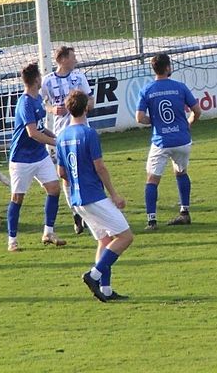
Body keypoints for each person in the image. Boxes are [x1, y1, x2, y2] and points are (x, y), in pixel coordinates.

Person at [56, 90, 133, 302]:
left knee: (105, 240)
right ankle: (94, 275)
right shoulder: (89, 134)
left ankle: (106, 291)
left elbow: (61, 173)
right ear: (86, 107)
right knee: (125, 236)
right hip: (93, 196)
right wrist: (114, 194)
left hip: (77, 199)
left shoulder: (61, 136)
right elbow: (100, 167)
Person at [135, 53, 203, 231]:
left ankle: (151, 221)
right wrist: (189, 122)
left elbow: (139, 118)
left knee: (152, 179)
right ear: (167, 68)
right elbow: (197, 111)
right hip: (182, 139)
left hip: (161, 141)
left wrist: (155, 121)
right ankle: (185, 212)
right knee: (181, 172)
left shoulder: (147, 90)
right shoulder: (180, 87)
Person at [7, 63, 67, 252]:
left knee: (54, 189)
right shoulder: (24, 102)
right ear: (36, 80)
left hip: (40, 156)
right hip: (22, 158)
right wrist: (55, 143)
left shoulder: (37, 98)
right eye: (40, 76)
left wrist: (56, 137)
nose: (42, 79)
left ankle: (48, 232)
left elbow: (40, 127)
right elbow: (32, 133)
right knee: (17, 198)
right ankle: (12, 240)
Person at [41, 46, 94, 235]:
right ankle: (76, 213)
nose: (76, 60)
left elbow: (92, 102)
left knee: (87, 171)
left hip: (81, 133)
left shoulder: (80, 78)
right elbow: (41, 104)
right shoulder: (47, 81)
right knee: (65, 175)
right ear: (62, 59)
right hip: (59, 136)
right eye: (73, 57)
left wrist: (81, 106)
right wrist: (52, 110)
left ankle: (88, 210)